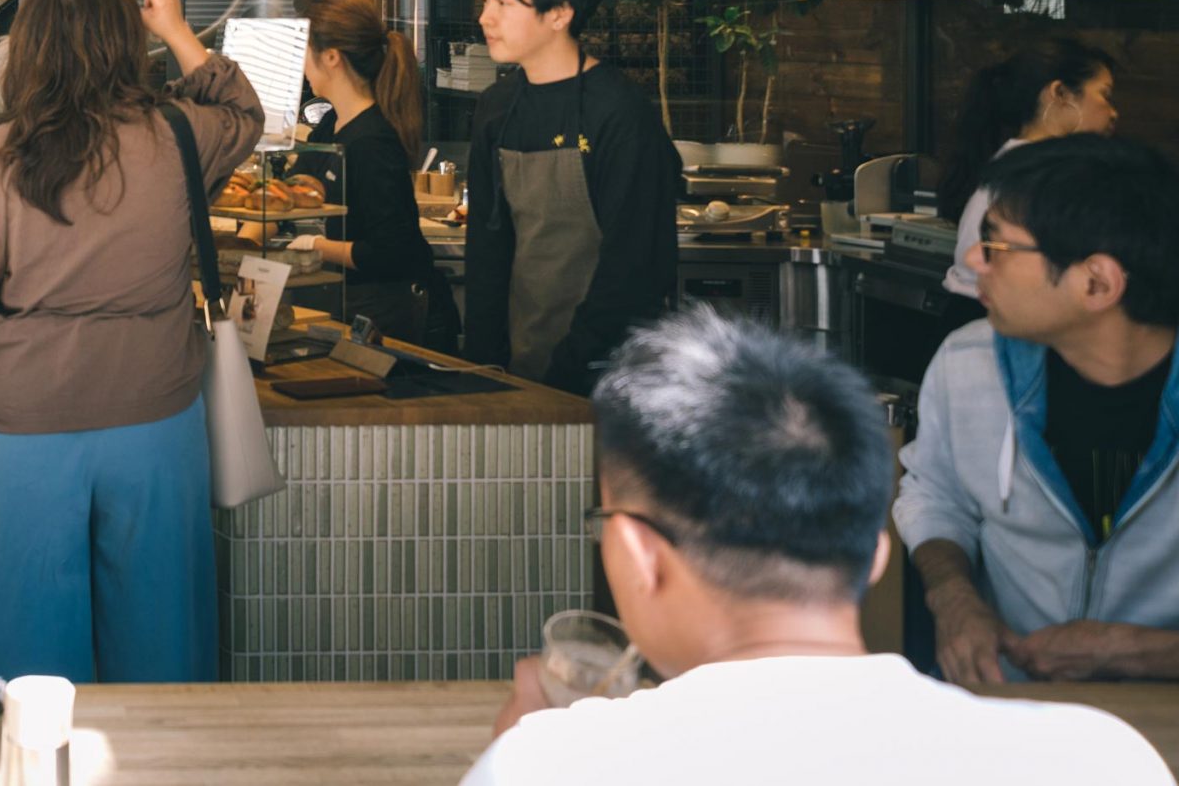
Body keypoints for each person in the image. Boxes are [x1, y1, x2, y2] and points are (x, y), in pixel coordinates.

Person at [464, 307, 1168, 785]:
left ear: (636, 554)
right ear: (878, 555)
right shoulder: (1096, 760)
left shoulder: (553, 767)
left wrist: (533, 749)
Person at [0, 0, 262, 684]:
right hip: (157, 429)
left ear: (30, 52)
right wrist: (177, 28)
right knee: (161, 659)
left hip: (23, 436)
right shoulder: (178, 137)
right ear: (129, 46)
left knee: (26, 670)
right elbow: (244, 110)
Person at [895, 135, 1179, 684]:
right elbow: (936, 493)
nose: (973, 260)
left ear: (1096, 283)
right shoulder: (967, 362)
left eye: (996, 247)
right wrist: (952, 597)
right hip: (1011, 708)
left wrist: (1132, 652)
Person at [463, 0, 680, 395]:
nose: (486, 18)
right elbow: (486, 246)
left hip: (609, 377)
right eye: (485, 2)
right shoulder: (496, 107)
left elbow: (636, 267)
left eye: (504, 4)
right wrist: (483, 366)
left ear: (560, 12)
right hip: (517, 367)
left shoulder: (620, 113)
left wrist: (570, 370)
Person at [297, 0, 457, 350]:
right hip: (342, 303)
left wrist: (315, 245)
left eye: (305, 52)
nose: (302, 64)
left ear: (332, 57)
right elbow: (298, 185)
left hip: (383, 314)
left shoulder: (372, 142)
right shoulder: (330, 125)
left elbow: (390, 252)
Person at [940, 39, 1119, 296]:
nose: (1113, 112)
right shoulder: (1044, 177)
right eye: (1105, 94)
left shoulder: (1014, 164)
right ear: (1060, 93)